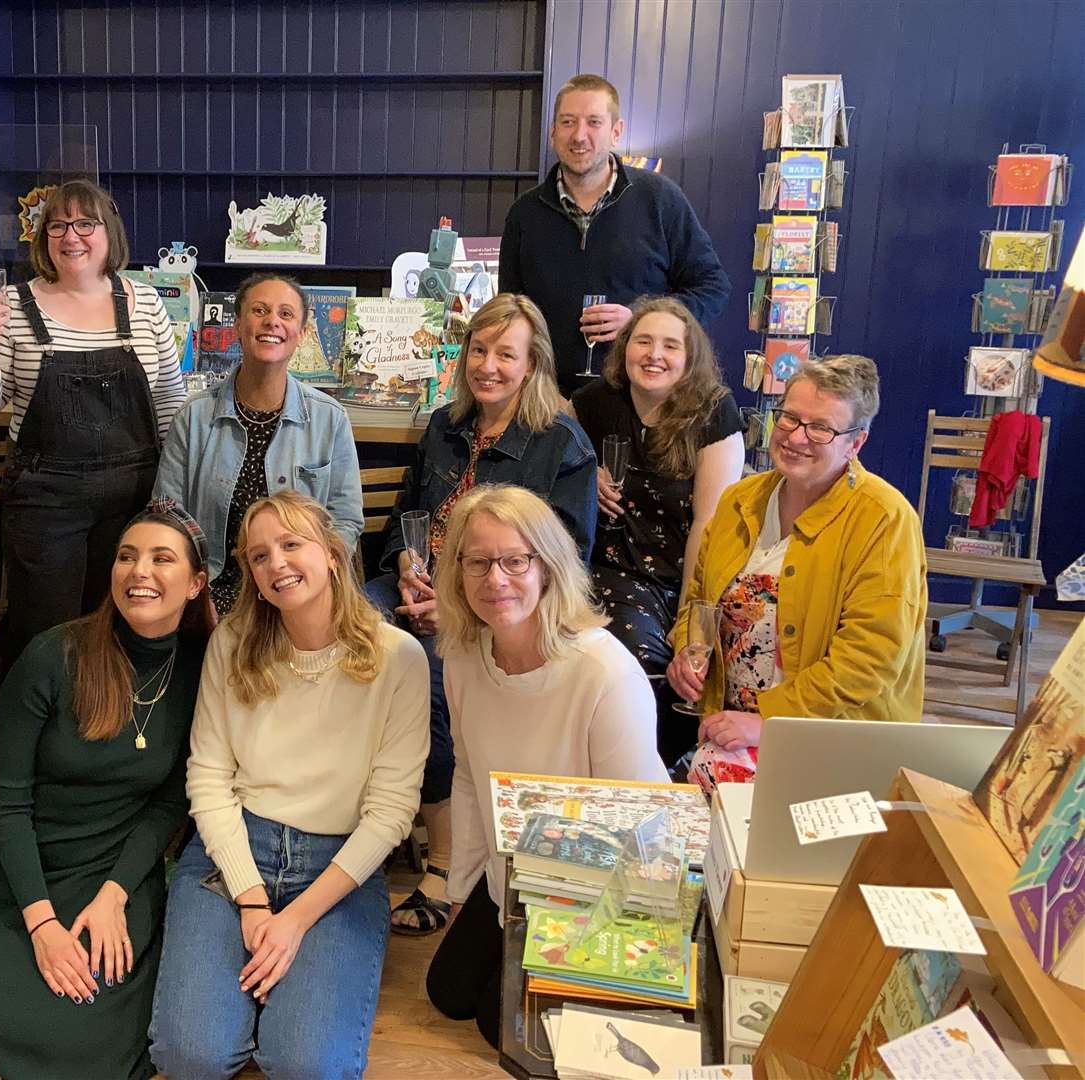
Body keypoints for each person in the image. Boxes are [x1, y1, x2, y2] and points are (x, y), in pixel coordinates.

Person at [149, 492, 428, 1080]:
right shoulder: (233, 644)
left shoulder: (398, 658)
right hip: (231, 854)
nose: (276, 563)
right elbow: (208, 779)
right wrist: (252, 901)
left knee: (306, 1065)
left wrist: (294, 921)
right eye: (258, 556)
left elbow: (391, 812)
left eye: (291, 544)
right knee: (190, 1056)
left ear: (332, 553)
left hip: (337, 864)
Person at [0, 499, 214, 1080]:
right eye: (126, 557)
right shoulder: (53, 655)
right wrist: (41, 924)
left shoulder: (200, 671)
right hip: (19, 865)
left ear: (195, 583)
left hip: (114, 865)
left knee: (99, 1042)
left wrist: (116, 892)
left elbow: (169, 801)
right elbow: (8, 803)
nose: (139, 572)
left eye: (162, 559)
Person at [365, 292, 597, 937]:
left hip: (502, 602)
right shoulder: (443, 425)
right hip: (422, 584)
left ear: (533, 365)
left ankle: (444, 861)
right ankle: (362, 822)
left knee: (429, 673)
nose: (488, 365)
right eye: (479, 349)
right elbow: (405, 520)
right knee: (353, 625)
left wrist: (462, 603)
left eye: (506, 354)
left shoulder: (560, 443)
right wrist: (408, 567)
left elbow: (567, 558)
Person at [423, 484, 666, 1048]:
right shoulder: (462, 656)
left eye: (515, 560)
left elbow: (642, 827)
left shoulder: (605, 673)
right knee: (449, 992)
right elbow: (467, 776)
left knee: (496, 1023)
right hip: (512, 878)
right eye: (478, 562)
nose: (496, 579)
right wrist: (461, 889)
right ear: (457, 571)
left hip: (594, 890)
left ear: (548, 567)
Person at [0, 179, 187, 672]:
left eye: (86, 223)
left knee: (121, 622)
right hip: (44, 497)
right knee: (45, 632)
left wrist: (168, 496)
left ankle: (111, 731)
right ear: (42, 238)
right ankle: (41, 734)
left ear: (109, 233)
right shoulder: (12, 305)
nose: (71, 236)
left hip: (132, 493)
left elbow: (168, 399)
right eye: (57, 225)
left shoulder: (145, 304)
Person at [667, 354, 928, 754]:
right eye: (788, 417)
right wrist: (687, 647)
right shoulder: (739, 499)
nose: (796, 437)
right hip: (729, 728)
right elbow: (700, 596)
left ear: (855, 442)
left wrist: (769, 720)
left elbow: (870, 657)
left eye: (821, 428)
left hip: (831, 744)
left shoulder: (885, 519)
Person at [573, 297, 744, 765]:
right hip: (611, 567)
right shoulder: (595, 402)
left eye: (671, 345)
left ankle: (678, 768)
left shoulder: (714, 415)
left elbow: (710, 531)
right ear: (624, 347)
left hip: (692, 574)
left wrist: (688, 617)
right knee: (634, 651)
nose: (654, 354)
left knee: (696, 661)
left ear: (690, 360)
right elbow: (554, 452)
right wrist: (585, 472)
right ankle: (638, 771)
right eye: (643, 341)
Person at [500, 73, 730, 394]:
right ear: (553, 133)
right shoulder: (525, 214)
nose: (579, 135)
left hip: (641, 401)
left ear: (616, 132)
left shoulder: (660, 200)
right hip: (548, 403)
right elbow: (511, 309)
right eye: (568, 122)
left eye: (594, 122)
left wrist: (642, 321)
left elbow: (713, 288)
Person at [154, 272, 362, 617]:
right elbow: (167, 516)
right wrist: (193, 591)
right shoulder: (193, 418)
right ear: (237, 325)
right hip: (211, 592)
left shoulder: (330, 419)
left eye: (286, 314)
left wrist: (309, 588)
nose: (272, 322)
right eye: (259, 310)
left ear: (303, 332)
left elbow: (345, 521)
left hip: (298, 592)